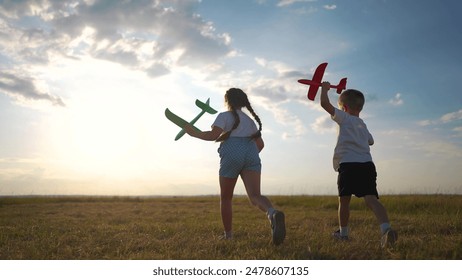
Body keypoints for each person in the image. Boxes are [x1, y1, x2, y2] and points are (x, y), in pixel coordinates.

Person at [184, 88, 286, 245]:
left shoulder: (224, 116)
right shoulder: (250, 122)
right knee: (255, 196)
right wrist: (247, 157)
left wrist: (193, 133)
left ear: (227, 101)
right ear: (243, 102)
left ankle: (229, 235)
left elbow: (213, 136)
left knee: (226, 198)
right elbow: (260, 145)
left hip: (232, 152)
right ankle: (272, 212)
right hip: (251, 153)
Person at [319, 81, 397, 248]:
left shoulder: (344, 117)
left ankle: (343, 234)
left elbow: (324, 104)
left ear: (344, 108)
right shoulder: (363, 124)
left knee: (344, 201)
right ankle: (386, 229)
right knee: (371, 199)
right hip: (367, 166)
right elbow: (371, 141)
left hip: (348, 165)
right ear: (360, 108)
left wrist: (324, 89)